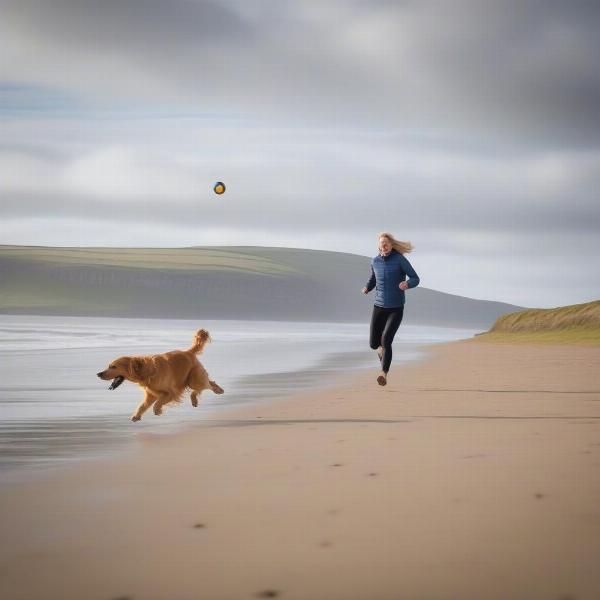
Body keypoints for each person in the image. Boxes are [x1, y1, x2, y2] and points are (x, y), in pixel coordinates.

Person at [362, 232, 420, 386]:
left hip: (396, 308)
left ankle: (383, 374)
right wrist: (368, 287)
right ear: (379, 246)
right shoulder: (375, 261)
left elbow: (415, 278)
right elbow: (373, 278)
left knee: (386, 340)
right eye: (382, 243)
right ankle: (382, 352)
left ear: (391, 245)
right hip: (379, 306)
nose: (384, 245)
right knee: (374, 343)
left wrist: (407, 284)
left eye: (387, 242)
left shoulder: (400, 260)